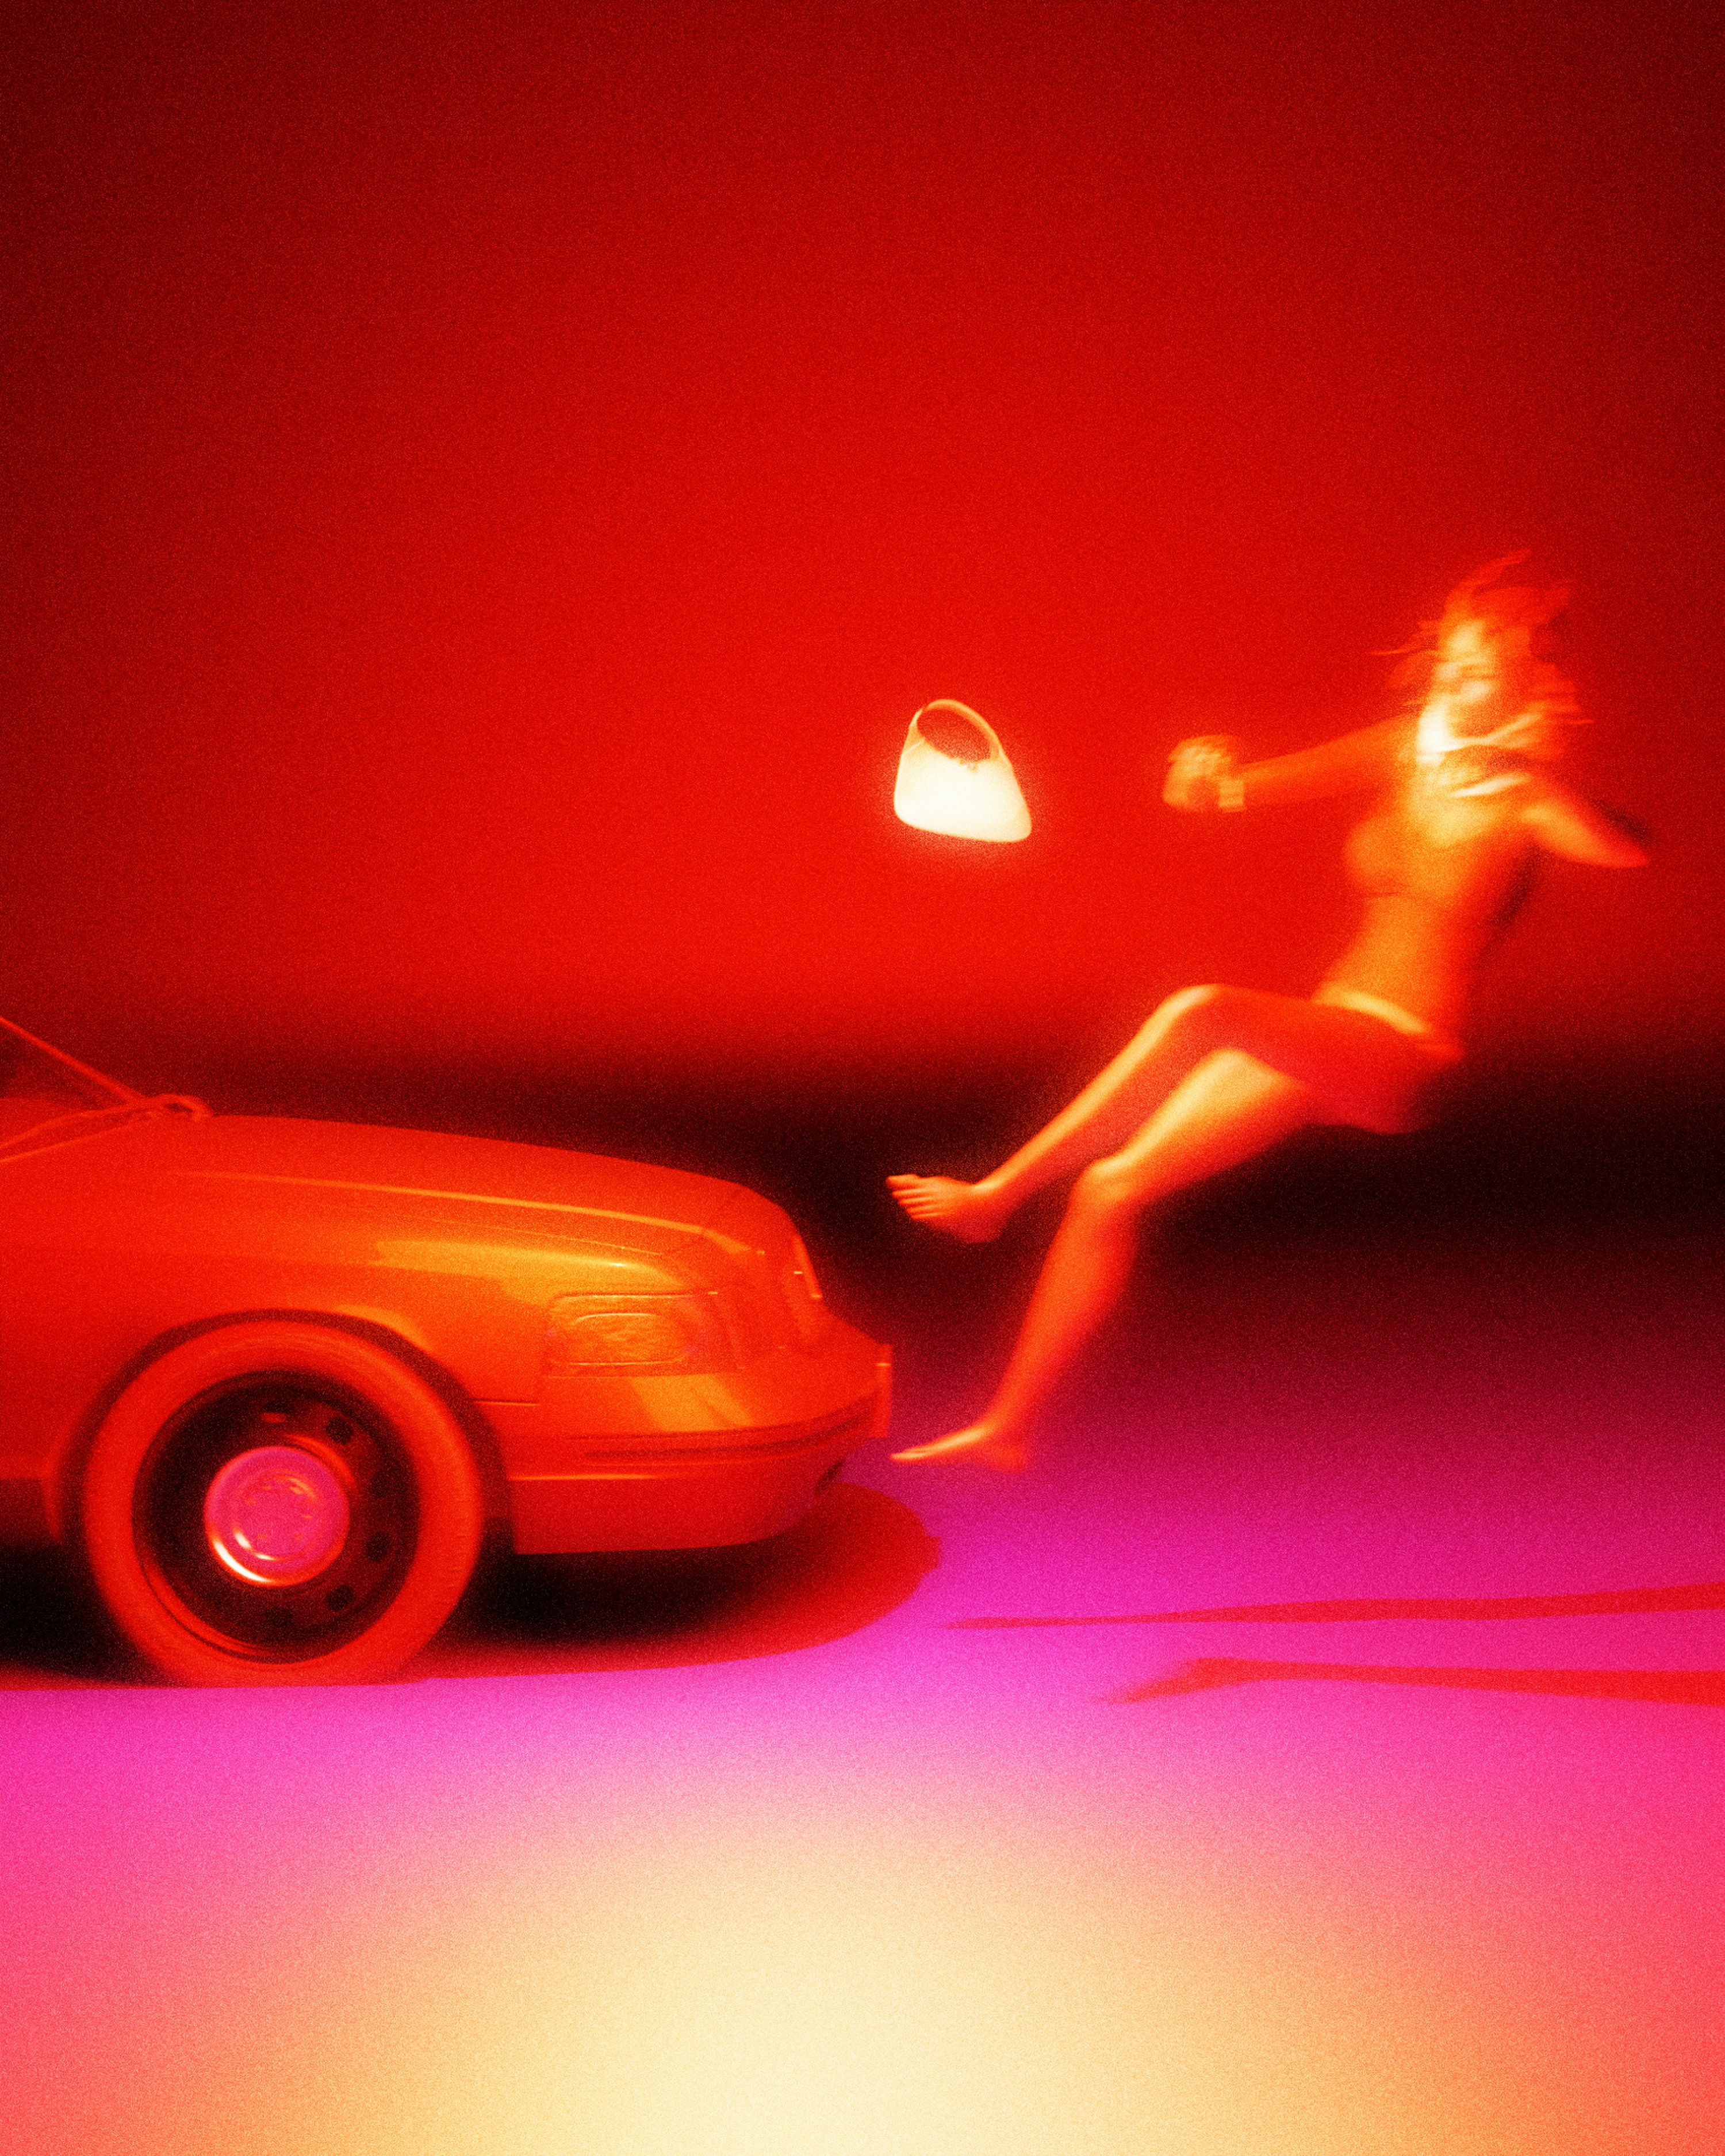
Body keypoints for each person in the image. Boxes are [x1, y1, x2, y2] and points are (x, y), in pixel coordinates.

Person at [887, 556, 1649, 1468]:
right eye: (1450, 657)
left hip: (1407, 1055)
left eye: (1481, 667)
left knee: (1202, 1008)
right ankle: (1008, 1427)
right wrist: (1202, 775)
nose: (1453, 676)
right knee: (1111, 1189)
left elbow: (1624, 849)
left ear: (1532, 684)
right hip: (1330, 1028)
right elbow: (1239, 789)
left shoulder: (1526, 799)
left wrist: (1534, 777)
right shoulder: (1407, 748)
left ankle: (996, 1195)